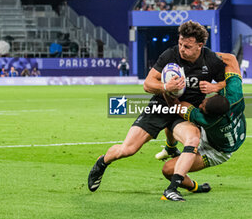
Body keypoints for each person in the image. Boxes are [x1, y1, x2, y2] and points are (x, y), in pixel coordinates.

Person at [88, 21, 226, 196]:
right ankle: (102, 163)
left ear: (200, 46)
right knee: (128, 149)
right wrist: (166, 87)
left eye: (187, 46)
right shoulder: (170, 55)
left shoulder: (211, 61)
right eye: (180, 44)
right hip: (160, 107)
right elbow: (147, 84)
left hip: (184, 112)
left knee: (193, 140)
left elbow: (229, 81)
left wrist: (216, 87)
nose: (182, 49)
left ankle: (185, 186)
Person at [159, 53, 246, 201]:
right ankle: (171, 148)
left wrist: (166, 88)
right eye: (204, 102)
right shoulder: (235, 93)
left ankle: (195, 187)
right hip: (227, 135)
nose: (200, 104)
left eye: (202, 106)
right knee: (171, 123)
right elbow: (231, 58)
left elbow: (176, 105)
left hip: (217, 152)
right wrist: (202, 54)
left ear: (207, 114)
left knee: (168, 170)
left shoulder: (206, 120)